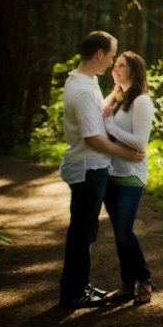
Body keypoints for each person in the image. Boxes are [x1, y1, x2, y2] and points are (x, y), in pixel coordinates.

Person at [59, 31, 146, 309]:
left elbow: (99, 111)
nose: (111, 63)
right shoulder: (83, 90)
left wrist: (117, 92)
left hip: (91, 167)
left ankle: (80, 285)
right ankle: (74, 292)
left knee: (86, 230)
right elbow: (92, 137)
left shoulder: (84, 81)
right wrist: (126, 153)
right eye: (110, 56)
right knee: (83, 232)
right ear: (99, 54)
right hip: (88, 167)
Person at [100, 50, 155, 304]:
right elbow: (102, 110)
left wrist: (110, 127)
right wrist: (115, 89)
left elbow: (140, 142)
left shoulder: (141, 101)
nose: (115, 68)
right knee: (119, 232)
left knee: (124, 232)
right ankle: (127, 283)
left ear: (133, 70)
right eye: (114, 65)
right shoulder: (122, 100)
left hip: (131, 175)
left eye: (120, 66)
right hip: (112, 174)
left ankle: (144, 279)